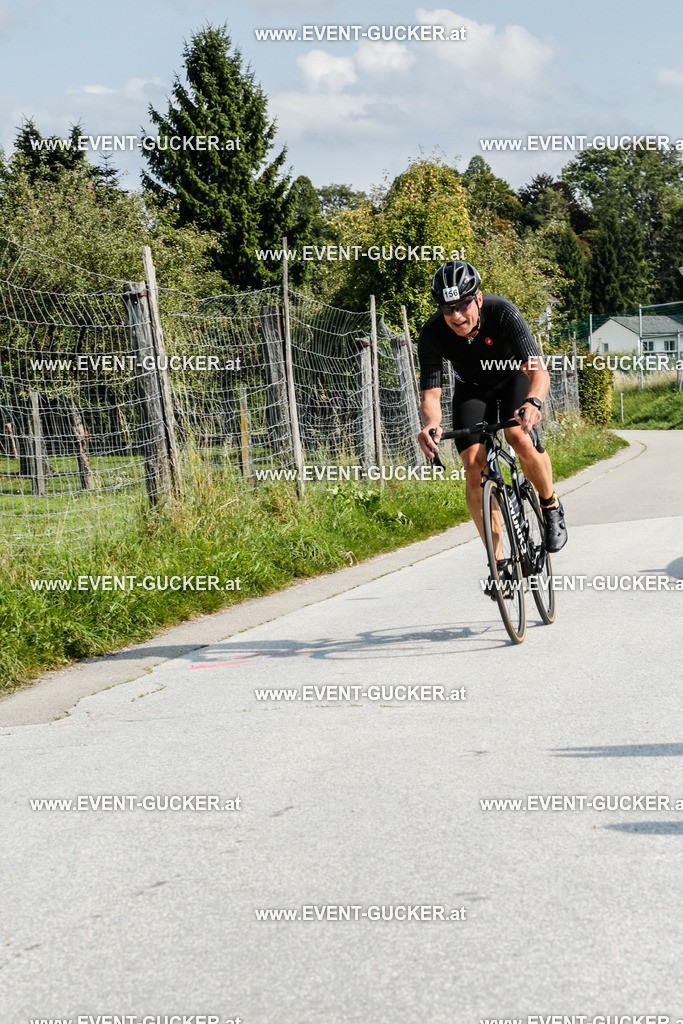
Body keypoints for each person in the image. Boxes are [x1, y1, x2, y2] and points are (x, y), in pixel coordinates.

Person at [416, 260, 567, 590]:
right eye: (447, 308)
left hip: (513, 379)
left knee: (517, 435)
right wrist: (431, 425)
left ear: (478, 299)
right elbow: (431, 393)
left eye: (462, 305)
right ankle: (499, 563)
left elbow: (538, 371)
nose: (456, 316)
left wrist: (534, 402)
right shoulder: (431, 333)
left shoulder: (503, 312)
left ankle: (550, 502)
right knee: (472, 465)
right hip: (471, 390)